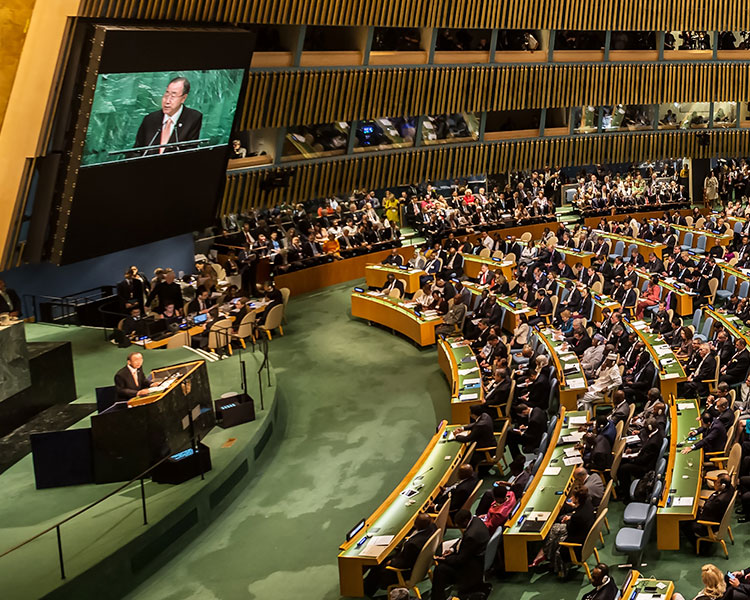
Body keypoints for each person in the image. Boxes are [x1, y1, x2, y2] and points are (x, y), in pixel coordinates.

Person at [363, 513, 437, 598]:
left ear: (416, 524)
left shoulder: (412, 545)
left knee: (377, 568)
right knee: (384, 559)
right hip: (420, 564)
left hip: (406, 572)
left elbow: (404, 564)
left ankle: (367, 591)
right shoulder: (433, 527)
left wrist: (391, 563)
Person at [529, 487, 595, 576]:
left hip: (577, 540)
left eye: (573, 496)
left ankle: (548, 557)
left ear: (578, 498)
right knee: (555, 529)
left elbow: (570, 529)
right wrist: (571, 515)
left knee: (555, 532)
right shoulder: (587, 502)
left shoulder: (578, 517)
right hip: (583, 531)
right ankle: (545, 553)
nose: (571, 498)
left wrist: (568, 520)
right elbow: (580, 514)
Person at [134, 76, 203, 155]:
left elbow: (190, 151)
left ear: (183, 98)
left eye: (173, 96)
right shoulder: (150, 119)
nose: (167, 101)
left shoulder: (193, 118)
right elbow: (137, 151)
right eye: (166, 94)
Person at [431, 509, 489, 600]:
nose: (457, 526)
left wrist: (444, 559)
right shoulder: (476, 521)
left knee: (440, 569)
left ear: (465, 521)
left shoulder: (471, 536)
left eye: (458, 524)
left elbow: (460, 560)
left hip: (472, 568)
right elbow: (463, 542)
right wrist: (452, 549)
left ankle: (437, 597)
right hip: (476, 557)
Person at [617, 418, 664, 499]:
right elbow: (644, 449)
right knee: (622, 461)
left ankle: (626, 494)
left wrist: (632, 458)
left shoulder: (653, 442)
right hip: (643, 459)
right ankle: (622, 487)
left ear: (649, 428)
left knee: (623, 468)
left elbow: (643, 460)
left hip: (646, 467)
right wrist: (632, 451)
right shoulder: (655, 434)